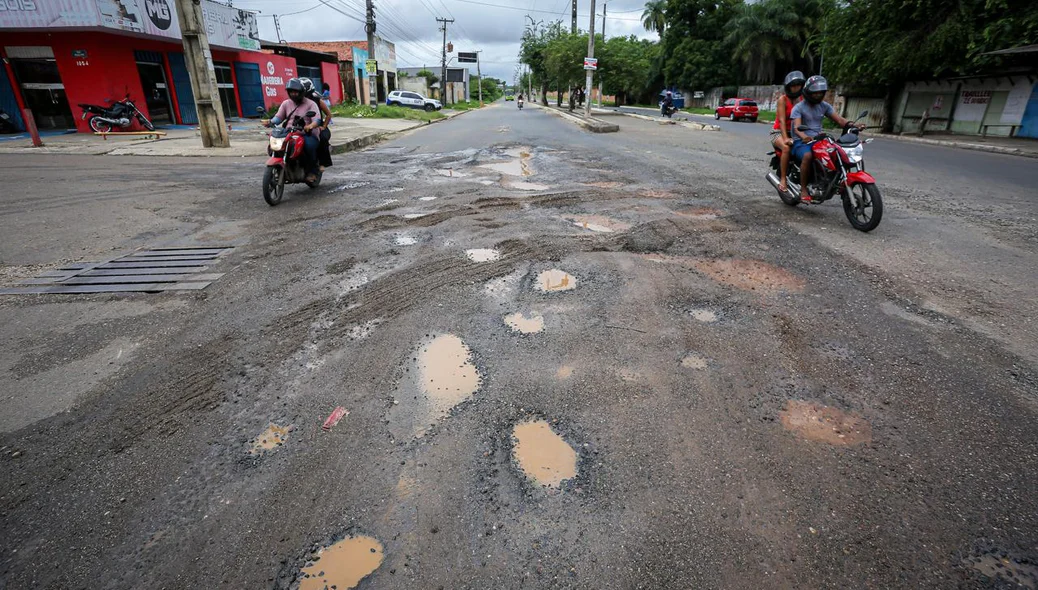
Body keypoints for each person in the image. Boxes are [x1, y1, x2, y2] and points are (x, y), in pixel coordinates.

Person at [790, 75, 864, 203]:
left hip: (819, 139)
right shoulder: (799, 107)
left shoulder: (824, 106)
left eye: (820, 93)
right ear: (808, 92)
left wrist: (853, 125)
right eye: (815, 93)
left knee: (837, 153)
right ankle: (803, 189)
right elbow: (797, 127)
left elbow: (840, 120)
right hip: (801, 141)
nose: (818, 95)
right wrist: (805, 137)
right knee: (807, 156)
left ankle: (828, 180)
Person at [267, 78, 321, 183]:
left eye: (296, 92)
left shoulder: (311, 104)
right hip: (290, 132)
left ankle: (312, 171)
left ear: (301, 92)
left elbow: (317, 120)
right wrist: (271, 122)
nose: (293, 94)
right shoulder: (286, 103)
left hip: (307, 134)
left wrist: (310, 126)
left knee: (309, 146)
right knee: (277, 144)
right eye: (291, 92)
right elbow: (279, 117)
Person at [772, 71, 805, 193]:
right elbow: (781, 120)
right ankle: (783, 179)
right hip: (778, 132)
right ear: (788, 87)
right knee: (786, 148)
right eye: (793, 85)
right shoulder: (783, 99)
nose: (796, 88)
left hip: (796, 132)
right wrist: (785, 138)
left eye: (798, 85)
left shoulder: (802, 99)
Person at [299, 78, 333, 170]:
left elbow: (329, 114)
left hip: (318, 127)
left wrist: (324, 126)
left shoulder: (317, 100)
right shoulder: (296, 102)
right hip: (302, 128)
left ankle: (323, 162)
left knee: (321, 138)